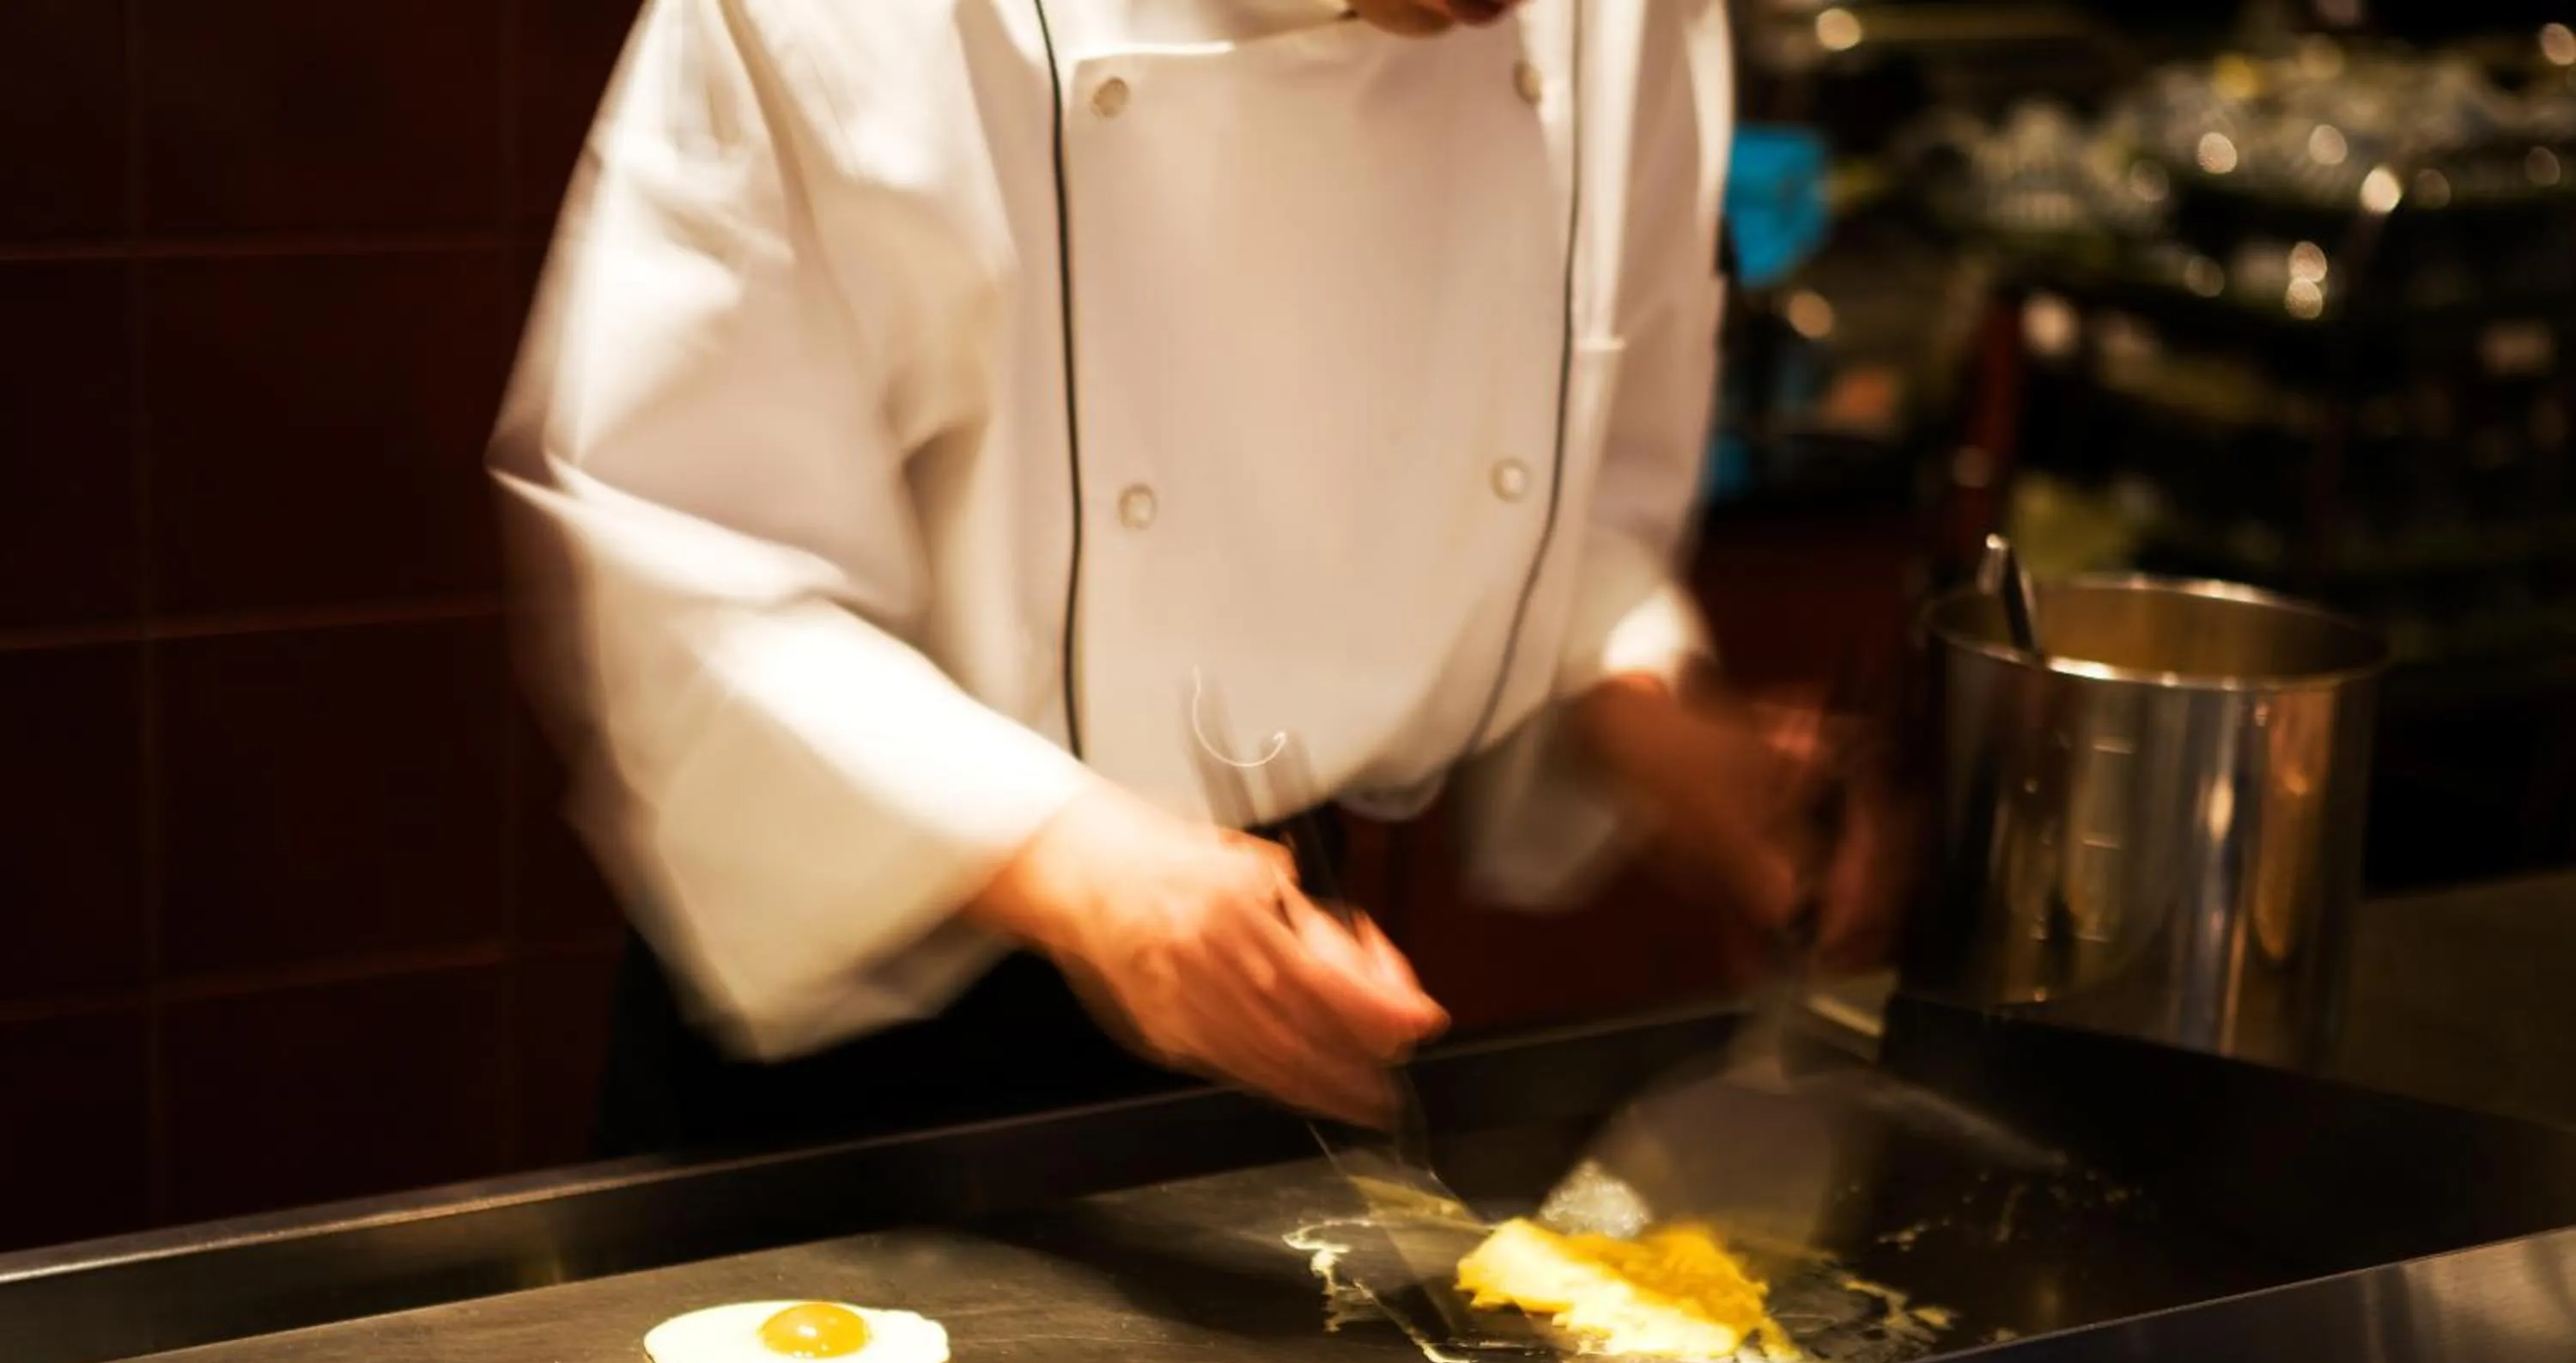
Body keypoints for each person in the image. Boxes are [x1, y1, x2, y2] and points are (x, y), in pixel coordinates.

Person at [491, 0, 1900, 1156]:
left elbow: (1570, 469)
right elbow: (694, 571)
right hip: (871, 993)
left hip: (1278, 964)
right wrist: (1078, 869)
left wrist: (1638, 707)